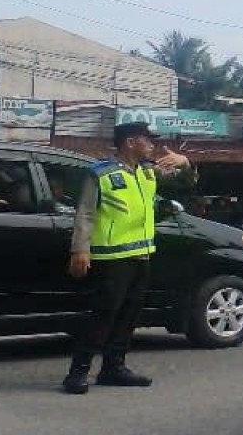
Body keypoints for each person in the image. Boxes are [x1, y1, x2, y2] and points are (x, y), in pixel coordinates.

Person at [61, 122, 195, 395]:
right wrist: (80, 249)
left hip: (141, 254)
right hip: (111, 256)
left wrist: (185, 163)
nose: (153, 145)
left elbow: (185, 184)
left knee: (129, 315)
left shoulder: (148, 172)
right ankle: (78, 372)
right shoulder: (101, 173)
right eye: (148, 140)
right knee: (103, 315)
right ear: (131, 142)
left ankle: (113, 367)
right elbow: (86, 212)